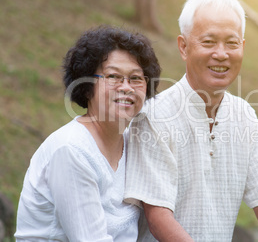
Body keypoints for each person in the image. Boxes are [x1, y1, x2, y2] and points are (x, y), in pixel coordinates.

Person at [124, 0, 258, 241]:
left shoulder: (244, 115)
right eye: (209, 41)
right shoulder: (154, 116)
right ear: (183, 47)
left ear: (243, 47)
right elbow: (158, 216)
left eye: (232, 43)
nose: (221, 54)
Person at [15, 25, 161, 241]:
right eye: (113, 76)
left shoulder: (133, 143)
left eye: (136, 78)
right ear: (86, 86)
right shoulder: (72, 150)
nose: (127, 87)